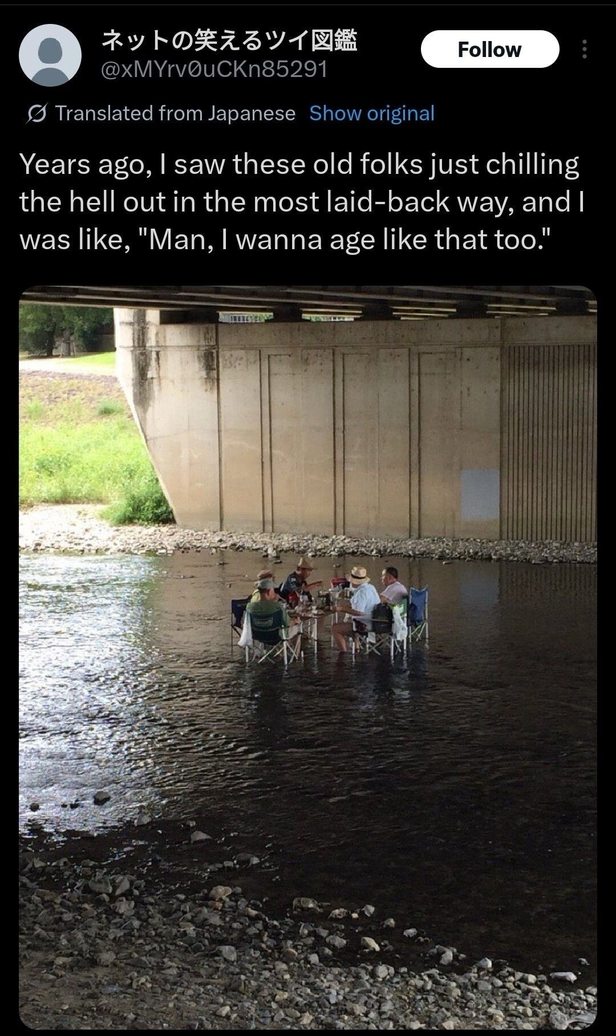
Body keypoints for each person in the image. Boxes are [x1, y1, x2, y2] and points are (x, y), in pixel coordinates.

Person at [331, 566, 380, 652]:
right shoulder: (371, 587)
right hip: (376, 621)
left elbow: (359, 613)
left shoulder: (361, 593)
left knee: (335, 628)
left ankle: (343, 653)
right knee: (350, 621)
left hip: (366, 624)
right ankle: (356, 648)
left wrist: (341, 608)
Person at [246, 578, 302, 651]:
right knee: (298, 627)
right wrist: (295, 621)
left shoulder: (249, 606)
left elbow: (246, 624)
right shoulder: (277, 606)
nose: (275, 593)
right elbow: (287, 623)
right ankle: (293, 655)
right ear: (269, 592)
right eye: (273, 591)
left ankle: (266, 652)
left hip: (256, 635)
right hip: (276, 636)